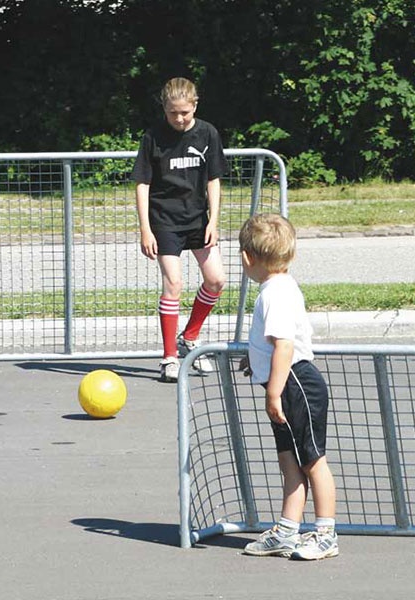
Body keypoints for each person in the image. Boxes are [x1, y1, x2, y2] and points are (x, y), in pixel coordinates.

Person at [238, 213, 338, 561]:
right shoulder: (277, 288)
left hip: (296, 384)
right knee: (289, 461)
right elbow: (271, 342)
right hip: (285, 382)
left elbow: (285, 345)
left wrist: (273, 392)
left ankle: (326, 533)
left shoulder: (274, 293)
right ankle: (287, 530)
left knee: (312, 460)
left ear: (247, 258)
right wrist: (255, 360)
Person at [131, 77, 227, 383]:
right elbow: (142, 183)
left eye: (185, 112)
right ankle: (169, 357)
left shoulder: (208, 133)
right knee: (173, 283)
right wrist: (145, 228)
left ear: (195, 106)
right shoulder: (153, 137)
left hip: (198, 218)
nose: (179, 118)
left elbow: (213, 179)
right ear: (165, 109)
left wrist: (213, 220)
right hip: (164, 220)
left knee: (216, 280)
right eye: (173, 113)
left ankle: (191, 336)